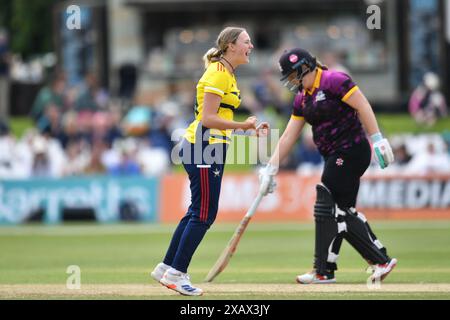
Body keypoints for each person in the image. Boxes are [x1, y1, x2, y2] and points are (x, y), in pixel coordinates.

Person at [259, 48, 397, 284]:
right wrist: (270, 168)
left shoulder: (334, 81)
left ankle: (375, 260)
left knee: (327, 201)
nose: (291, 81)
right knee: (340, 213)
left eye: (292, 75)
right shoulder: (303, 97)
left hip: (352, 150)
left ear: (304, 67)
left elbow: (363, 105)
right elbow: (289, 136)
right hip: (332, 155)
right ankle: (325, 271)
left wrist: (377, 139)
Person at [150, 27, 268, 296]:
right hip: (204, 147)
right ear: (230, 46)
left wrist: (244, 127)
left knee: (196, 211)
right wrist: (243, 126)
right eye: (246, 42)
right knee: (204, 214)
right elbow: (208, 119)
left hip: (206, 147)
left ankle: (167, 266)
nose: (251, 46)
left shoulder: (225, 73)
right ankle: (176, 274)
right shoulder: (217, 73)